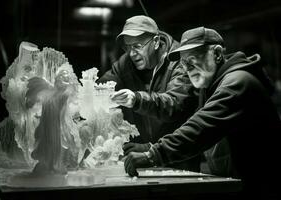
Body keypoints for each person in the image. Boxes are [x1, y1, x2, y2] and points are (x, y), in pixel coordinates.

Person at [124, 27, 281, 199]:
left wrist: (153, 155)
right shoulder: (210, 87)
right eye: (183, 63)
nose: (187, 68)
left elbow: (200, 128)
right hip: (237, 186)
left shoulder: (237, 83)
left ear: (218, 54)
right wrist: (149, 147)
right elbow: (192, 130)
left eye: (192, 59)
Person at [98, 15, 200, 171]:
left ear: (156, 42)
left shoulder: (179, 61)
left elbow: (175, 105)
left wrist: (137, 99)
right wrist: (79, 99)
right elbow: (103, 86)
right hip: (141, 158)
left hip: (179, 160)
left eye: (137, 46)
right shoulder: (126, 63)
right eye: (127, 47)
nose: (132, 53)